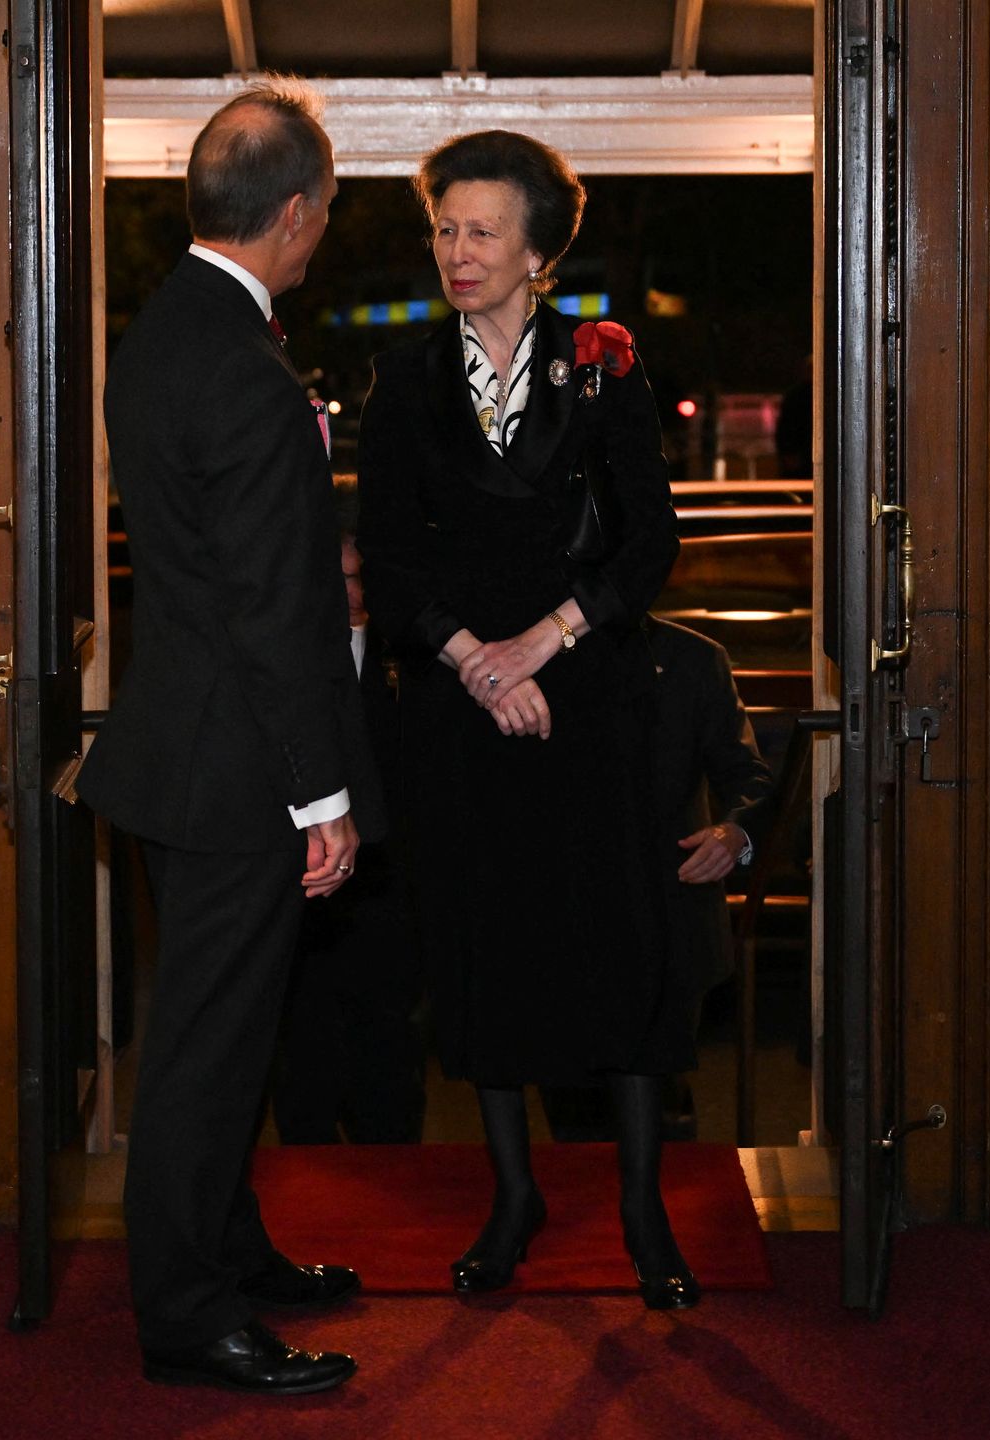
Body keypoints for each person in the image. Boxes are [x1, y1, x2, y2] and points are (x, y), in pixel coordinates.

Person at [76, 77, 384, 1396]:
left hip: (176, 753)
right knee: (206, 1052)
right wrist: (322, 798)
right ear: (300, 214)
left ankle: (224, 1241)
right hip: (238, 774)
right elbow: (274, 616)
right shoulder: (250, 376)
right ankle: (188, 1315)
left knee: (223, 1033)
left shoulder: (158, 336)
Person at [357, 130, 692, 1308]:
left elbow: (652, 541)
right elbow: (389, 564)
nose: (457, 250)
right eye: (445, 227)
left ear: (540, 253)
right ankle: (514, 1198)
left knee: (623, 949)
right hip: (463, 708)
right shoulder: (403, 378)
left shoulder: (604, 364)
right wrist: (478, 666)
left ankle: (646, 1209)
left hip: (589, 695)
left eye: (483, 230)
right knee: (483, 953)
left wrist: (544, 641)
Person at [541, 615, 775, 1142]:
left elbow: (749, 778)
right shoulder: (529, 653)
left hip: (668, 907)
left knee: (657, 1104)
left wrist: (733, 834)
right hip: (561, 910)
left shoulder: (694, 657)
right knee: (573, 1114)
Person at [271, 498, 426, 1145]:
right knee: (302, 1040)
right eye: (336, 580)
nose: (349, 592)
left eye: (357, 578)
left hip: (388, 883)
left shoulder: (409, 662)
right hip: (308, 884)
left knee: (386, 1046)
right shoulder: (292, 663)